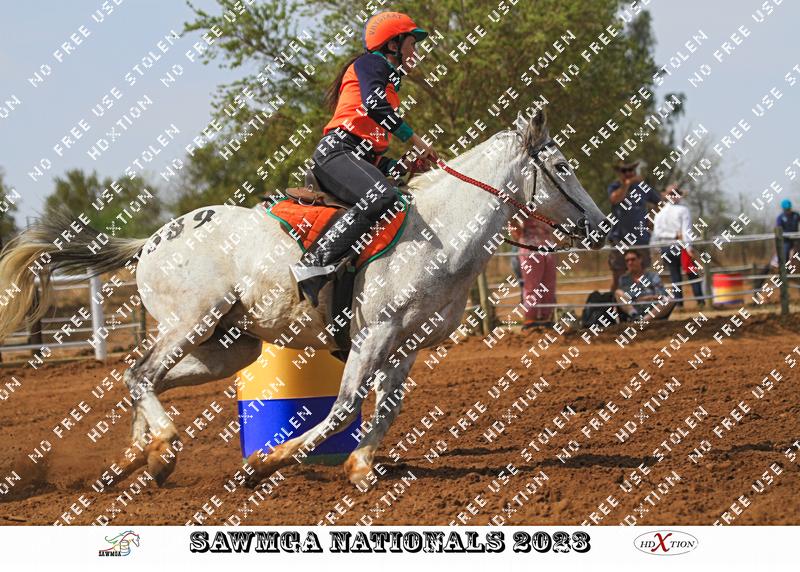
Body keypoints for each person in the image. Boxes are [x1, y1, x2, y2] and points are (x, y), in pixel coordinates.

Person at [290, 12, 439, 307]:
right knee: (382, 197)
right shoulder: (371, 63)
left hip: (353, 155)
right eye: (412, 44)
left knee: (394, 197)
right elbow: (374, 106)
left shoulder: (388, 84)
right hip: (336, 152)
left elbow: (372, 155)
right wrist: (415, 139)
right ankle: (313, 264)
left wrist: (405, 164)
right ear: (393, 45)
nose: (416, 52)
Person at [607, 160, 661, 291]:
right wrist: (627, 184)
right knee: (618, 277)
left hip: (641, 239)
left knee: (643, 276)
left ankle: (644, 301)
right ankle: (614, 302)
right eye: (624, 170)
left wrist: (652, 218)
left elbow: (660, 202)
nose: (628, 173)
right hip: (620, 239)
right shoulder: (614, 186)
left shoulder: (643, 187)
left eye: (631, 170)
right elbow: (614, 199)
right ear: (619, 173)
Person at [652, 184, 704, 307]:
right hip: (682, 246)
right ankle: (701, 301)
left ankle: (679, 304)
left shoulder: (660, 213)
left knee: (675, 276)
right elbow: (686, 232)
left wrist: (671, 235)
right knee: (692, 274)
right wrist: (689, 248)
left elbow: (657, 233)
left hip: (666, 248)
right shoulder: (683, 210)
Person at [511, 217, 557, 329]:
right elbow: (515, 233)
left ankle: (546, 318)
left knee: (549, 286)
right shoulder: (521, 209)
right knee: (531, 286)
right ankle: (530, 320)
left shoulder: (549, 209)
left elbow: (556, 225)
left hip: (549, 247)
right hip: (529, 248)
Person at [614, 249, 675, 322]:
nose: (630, 262)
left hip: (653, 308)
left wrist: (638, 298)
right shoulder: (623, 279)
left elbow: (660, 294)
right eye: (627, 261)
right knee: (618, 292)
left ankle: (644, 320)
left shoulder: (652, 276)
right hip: (633, 309)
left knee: (671, 298)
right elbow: (624, 297)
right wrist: (648, 296)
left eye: (633, 259)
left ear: (640, 259)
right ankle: (635, 316)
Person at [776, 199, 799, 263]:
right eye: (786, 209)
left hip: (796, 239)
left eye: (789, 209)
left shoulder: (796, 215)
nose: (788, 210)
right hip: (786, 240)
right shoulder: (780, 217)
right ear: (783, 209)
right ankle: (784, 267)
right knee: (785, 254)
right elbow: (778, 228)